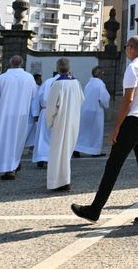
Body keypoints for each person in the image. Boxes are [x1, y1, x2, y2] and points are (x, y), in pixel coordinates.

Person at [72, 35, 138, 226]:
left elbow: (127, 100)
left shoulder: (133, 68)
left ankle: (94, 210)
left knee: (113, 166)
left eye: (126, 47)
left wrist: (117, 127)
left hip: (133, 122)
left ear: (130, 47)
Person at [0, 55, 38, 181]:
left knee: (5, 140)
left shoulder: (3, 77)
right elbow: (33, 95)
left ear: (10, 63)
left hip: (5, 114)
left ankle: (9, 167)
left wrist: (0, 106)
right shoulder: (29, 77)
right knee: (17, 140)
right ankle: (14, 163)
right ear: (22, 63)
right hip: (22, 114)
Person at [45, 58, 84, 192]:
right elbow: (81, 100)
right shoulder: (76, 82)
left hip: (60, 121)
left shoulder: (57, 84)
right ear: (69, 68)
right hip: (73, 120)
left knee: (57, 151)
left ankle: (58, 182)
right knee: (67, 151)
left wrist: (49, 121)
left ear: (57, 68)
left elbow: (50, 107)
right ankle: (65, 179)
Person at [74, 67, 111, 157]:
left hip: (85, 110)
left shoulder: (89, 84)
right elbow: (104, 98)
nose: (103, 74)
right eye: (102, 72)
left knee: (83, 132)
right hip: (96, 111)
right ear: (99, 74)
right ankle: (95, 151)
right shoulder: (100, 84)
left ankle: (77, 148)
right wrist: (106, 105)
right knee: (96, 132)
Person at [31, 72, 60, 167]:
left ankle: (41, 157)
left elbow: (37, 97)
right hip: (58, 111)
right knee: (55, 136)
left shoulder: (47, 82)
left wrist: (35, 113)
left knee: (43, 136)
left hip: (45, 111)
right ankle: (50, 158)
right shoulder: (67, 82)